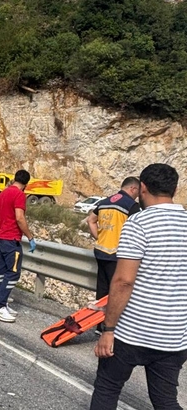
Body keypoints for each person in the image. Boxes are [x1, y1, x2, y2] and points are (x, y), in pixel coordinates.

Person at [91, 163, 187, 410]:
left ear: (142, 188)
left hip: (132, 332)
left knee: (107, 388)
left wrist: (108, 329)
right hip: (174, 336)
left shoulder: (138, 223)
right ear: (175, 189)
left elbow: (123, 281)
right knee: (166, 400)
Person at [87, 177, 140, 334]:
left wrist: (100, 237)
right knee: (116, 292)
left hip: (101, 251)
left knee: (102, 289)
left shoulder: (104, 201)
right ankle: (111, 328)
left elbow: (91, 220)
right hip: (117, 254)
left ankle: (99, 326)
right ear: (133, 189)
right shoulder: (131, 205)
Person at [0, 169, 36, 323]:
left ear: (15, 179)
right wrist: (30, 236)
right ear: (26, 184)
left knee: (1, 271)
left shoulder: (3, 193)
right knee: (13, 273)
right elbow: (19, 217)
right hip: (11, 240)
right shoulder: (19, 195)